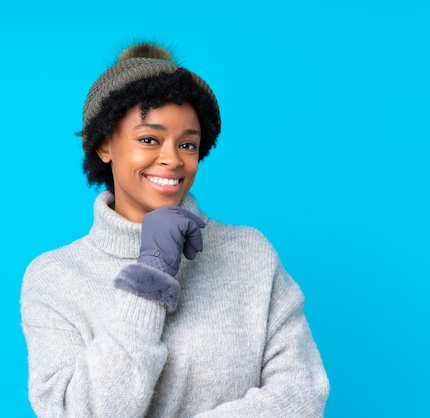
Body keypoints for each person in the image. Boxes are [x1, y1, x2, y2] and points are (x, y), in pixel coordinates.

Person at [20, 42, 329, 417]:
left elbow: (302, 394)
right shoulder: (55, 278)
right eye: (149, 139)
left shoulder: (250, 254)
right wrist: (150, 275)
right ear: (104, 145)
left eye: (187, 144)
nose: (172, 159)